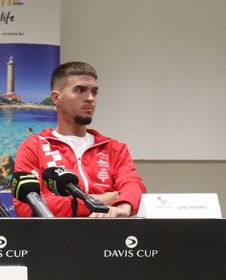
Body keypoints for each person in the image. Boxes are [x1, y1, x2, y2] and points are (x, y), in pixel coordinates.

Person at [12, 61, 145, 217]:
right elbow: (27, 206)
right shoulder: (33, 147)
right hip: (55, 233)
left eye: (94, 92)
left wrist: (124, 206)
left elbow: (133, 186)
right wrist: (98, 201)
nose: (90, 98)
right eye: (80, 90)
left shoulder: (114, 148)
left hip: (108, 231)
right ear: (56, 98)